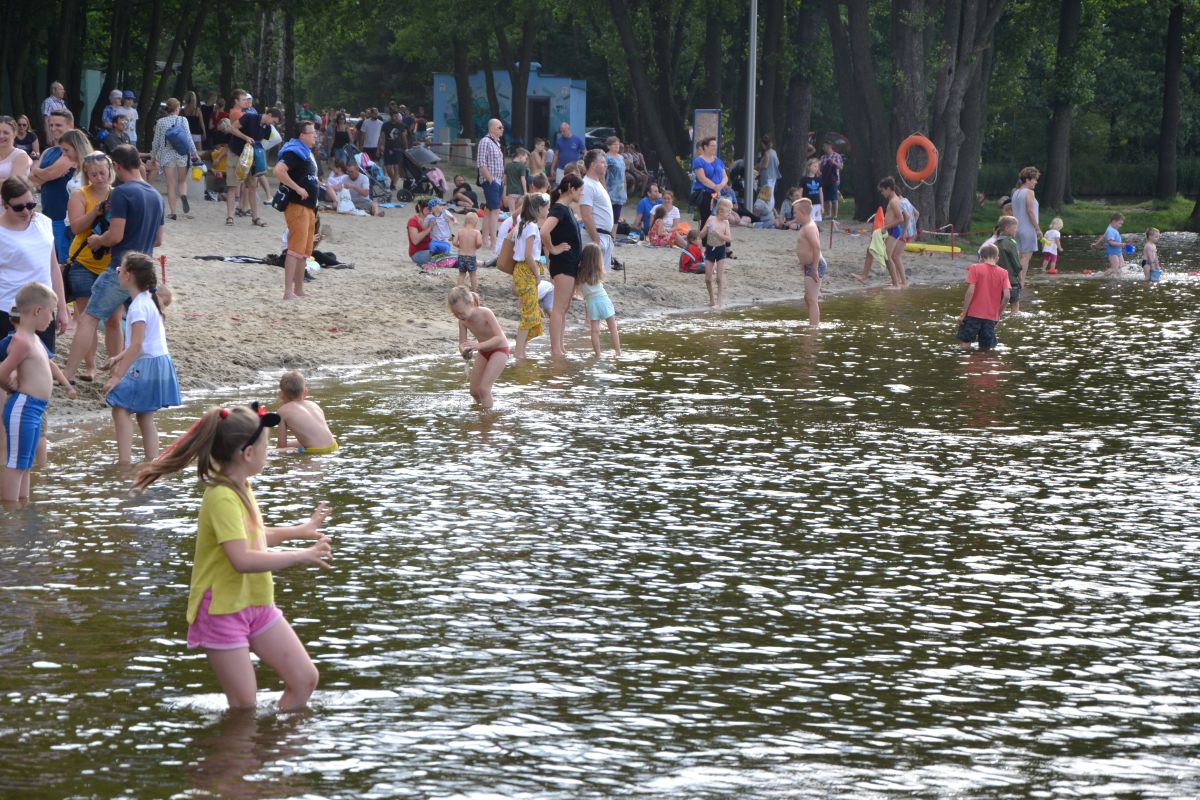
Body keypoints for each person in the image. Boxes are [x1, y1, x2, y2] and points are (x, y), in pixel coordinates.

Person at [132, 404, 333, 712]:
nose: (268, 452)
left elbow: (253, 536)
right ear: (248, 454)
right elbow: (242, 559)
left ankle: (270, 753)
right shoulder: (221, 496)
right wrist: (299, 557)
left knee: (304, 679)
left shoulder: (241, 486)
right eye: (265, 446)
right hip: (222, 610)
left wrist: (300, 530)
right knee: (244, 707)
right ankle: (239, 757)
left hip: (255, 603)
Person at [62, 144, 164, 384]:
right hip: (145, 269)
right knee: (135, 323)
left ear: (116, 167)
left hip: (122, 267)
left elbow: (116, 236)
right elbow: (158, 240)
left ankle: (67, 373)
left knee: (88, 318)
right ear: (138, 163)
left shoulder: (121, 192)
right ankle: (122, 372)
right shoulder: (155, 194)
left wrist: (99, 240)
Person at [102, 253, 179, 463]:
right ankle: (153, 461)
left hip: (146, 364)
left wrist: (117, 376)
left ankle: (124, 463)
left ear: (128, 276)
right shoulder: (148, 300)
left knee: (120, 409)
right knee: (145, 415)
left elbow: (136, 345)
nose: (118, 273)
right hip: (159, 362)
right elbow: (142, 342)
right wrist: (119, 356)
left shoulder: (137, 307)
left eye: (120, 270)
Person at [0, 282, 66, 502]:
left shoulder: (34, 338)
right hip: (23, 406)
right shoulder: (21, 341)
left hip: (35, 408)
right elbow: (2, 371)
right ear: (38, 310)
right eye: (51, 312)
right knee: (16, 463)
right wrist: (10, 387)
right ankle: (11, 511)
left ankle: (23, 503)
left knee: (25, 463)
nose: (52, 318)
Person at [65, 153, 115, 379]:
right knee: (87, 318)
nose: (99, 178)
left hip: (111, 263)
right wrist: (95, 211)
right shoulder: (80, 195)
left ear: (110, 170)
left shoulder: (118, 194)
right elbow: (75, 228)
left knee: (113, 319)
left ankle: (116, 367)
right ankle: (90, 367)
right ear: (87, 175)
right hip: (83, 262)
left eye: (102, 172)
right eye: (93, 174)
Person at [28, 113, 87, 264]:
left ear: (70, 126)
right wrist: (42, 174)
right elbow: (32, 179)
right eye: (51, 125)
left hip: (65, 219)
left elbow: (50, 174)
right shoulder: (49, 152)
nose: (53, 129)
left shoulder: (70, 152)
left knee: (65, 261)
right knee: (52, 260)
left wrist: (38, 172)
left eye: (58, 125)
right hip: (48, 216)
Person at [273, 121, 321, 301]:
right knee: (294, 249)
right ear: (302, 135)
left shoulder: (305, 153)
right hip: (297, 205)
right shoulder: (294, 151)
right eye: (312, 133)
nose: (315, 135)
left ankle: (299, 289)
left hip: (309, 206)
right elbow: (279, 171)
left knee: (304, 251)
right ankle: (288, 291)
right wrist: (298, 188)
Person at [541, 175, 584, 358]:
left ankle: (560, 346)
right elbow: (544, 231)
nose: (581, 193)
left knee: (563, 307)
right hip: (564, 263)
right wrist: (553, 249)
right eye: (580, 189)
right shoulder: (559, 208)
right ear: (571, 188)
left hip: (570, 263)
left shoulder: (566, 209)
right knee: (559, 307)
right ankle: (555, 349)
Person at [449, 286, 508, 409]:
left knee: (484, 389)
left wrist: (478, 345)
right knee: (474, 391)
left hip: (499, 350)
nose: (459, 316)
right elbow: (462, 343)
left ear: (471, 304)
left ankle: (487, 420)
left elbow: (500, 338)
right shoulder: (462, 321)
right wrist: (464, 351)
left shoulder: (485, 313)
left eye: (461, 313)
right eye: (456, 314)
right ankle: (485, 409)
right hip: (483, 351)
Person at [508, 192, 549, 361]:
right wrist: (537, 274)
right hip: (527, 272)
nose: (548, 211)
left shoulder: (521, 224)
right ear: (539, 208)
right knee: (530, 314)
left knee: (531, 312)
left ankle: (521, 350)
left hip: (521, 271)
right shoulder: (531, 227)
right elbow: (528, 255)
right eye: (546, 208)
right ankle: (518, 352)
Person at [955, 243, 1011, 352]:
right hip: (990, 318)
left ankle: (967, 367)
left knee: (965, 345)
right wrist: (998, 315)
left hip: (972, 315)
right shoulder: (1004, 273)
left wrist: (963, 313)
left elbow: (970, 292)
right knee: (986, 349)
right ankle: (984, 367)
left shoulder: (975, 268)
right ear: (997, 258)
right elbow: (1007, 296)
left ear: (981, 257)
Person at [150, 98, 200, 221]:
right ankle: (183, 194)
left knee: (170, 184)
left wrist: (153, 156)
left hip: (167, 156)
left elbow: (156, 142)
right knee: (182, 181)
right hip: (181, 154)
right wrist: (195, 153)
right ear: (177, 109)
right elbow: (188, 138)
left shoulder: (160, 122)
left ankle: (173, 212)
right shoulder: (183, 120)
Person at [224, 90, 268, 227]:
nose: (247, 102)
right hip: (237, 152)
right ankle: (231, 216)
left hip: (248, 154)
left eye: (247, 100)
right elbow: (232, 128)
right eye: (244, 99)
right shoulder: (241, 114)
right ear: (236, 101)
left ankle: (251, 215)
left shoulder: (250, 115)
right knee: (234, 185)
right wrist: (246, 138)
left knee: (251, 186)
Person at [275, 370, 338, 454]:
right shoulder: (314, 404)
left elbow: (281, 446)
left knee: (276, 450)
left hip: (316, 451)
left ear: (281, 395)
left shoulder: (282, 411)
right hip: (334, 445)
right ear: (305, 392)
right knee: (291, 444)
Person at [578, 243, 621, 357]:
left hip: (592, 303)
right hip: (604, 300)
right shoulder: (598, 271)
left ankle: (598, 354)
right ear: (597, 259)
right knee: (613, 329)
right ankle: (618, 352)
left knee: (594, 331)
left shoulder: (579, 273)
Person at [580, 150, 616, 272]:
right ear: (593, 164)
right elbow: (586, 215)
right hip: (596, 236)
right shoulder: (587, 184)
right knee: (591, 278)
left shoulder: (597, 183)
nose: (606, 165)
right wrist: (596, 239)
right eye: (602, 162)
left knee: (600, 278)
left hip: (604, 236)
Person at [792, 198, 825, 328]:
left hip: (814, 265)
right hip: (809, 265)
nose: (794, 215)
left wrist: (815, 268)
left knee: (812, 299)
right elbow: (806, 247)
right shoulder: (806, 226)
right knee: (808, 298)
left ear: (803, 213)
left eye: (795, 212)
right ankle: (813, 323)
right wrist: (803, 263)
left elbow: (816, 247)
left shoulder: (809, 228)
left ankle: (814, 328)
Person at [476, 118, 505, 250]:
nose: (502, 129)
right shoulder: (485, 141)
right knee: (494, 211)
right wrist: (490, 180)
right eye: (500, 127)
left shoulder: (496, 143)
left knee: (489, 211)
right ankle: (493, 242)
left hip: (498, 181)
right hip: (491, 181)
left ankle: (485, 240)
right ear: (492, 128)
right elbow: (481, 163)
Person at [690, 136, 728, 232]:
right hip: (706, 193)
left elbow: (725, 177)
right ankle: (704, 242)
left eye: (715, 145)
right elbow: (702, 179)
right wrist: (715, 187)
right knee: (706, 219)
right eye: (712, 146)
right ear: (705, 147)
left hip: (718, 194)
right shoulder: (699, 161)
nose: (714, 147)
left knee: (721, 218)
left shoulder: (719, 161)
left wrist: (720, 186)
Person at [701, 197, 733, 308]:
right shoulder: (711, 219)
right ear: (720, 211)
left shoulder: (726, 223)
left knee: (719, 278)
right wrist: (706, 231)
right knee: (708, 279)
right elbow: (701, 235)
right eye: (728, 211)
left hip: (720, 250)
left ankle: (719, 302)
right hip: (710, 249)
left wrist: (718, 234)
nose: (730, 213)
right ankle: (712, 300)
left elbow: (728, 238)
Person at [1011, 166, 1041, 284]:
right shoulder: (1029, 192)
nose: (1036, 182)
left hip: (1016, 229)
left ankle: (1014, 280)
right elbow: (1030, 211)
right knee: (1026, 257)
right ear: (1028, 180)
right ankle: (1021, 281)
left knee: (1018, 256)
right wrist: (1037, 229)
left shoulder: (1016, 193)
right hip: (1028, 229)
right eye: (1034, 179)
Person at [878, 177, 907, 289]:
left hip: (893, 231)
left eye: (882, 190)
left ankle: (896, 284)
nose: (882, 193)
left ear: (888, 189)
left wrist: (885, 227)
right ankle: (895, 282)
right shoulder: (894, 199)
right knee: (887, 256)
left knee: (887, 256)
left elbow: (901, 219)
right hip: (891, 230)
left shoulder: (894, 201)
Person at [995, 215, 1022, 313]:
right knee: (1014, 305)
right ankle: (1014, 320)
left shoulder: (995, 243)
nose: (1016, 230)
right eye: (1015, 228)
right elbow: (1016, 264)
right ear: (1007, 228)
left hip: (998, 280)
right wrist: (1021, 279)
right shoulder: (1011, 243)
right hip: (1012, 280)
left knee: (998, 304)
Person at [454, 214, 483, 292]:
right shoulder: (477, 232)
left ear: (465, 222)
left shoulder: (460, 231)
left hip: (461, 256)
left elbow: (454, 242)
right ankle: (474, 291)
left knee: (461, 274)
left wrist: (460, 246)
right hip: (471, 257)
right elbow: (479, 243)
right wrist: (476, 247)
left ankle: (459, 291)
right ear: (475, 223)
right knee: (473, 275)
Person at [380, 110, 406, 191]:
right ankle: (393, 181)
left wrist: (406, 147)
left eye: (396, 116)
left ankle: (393, 185)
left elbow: (403, 137)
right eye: (393, 116)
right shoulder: (385, 125)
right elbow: (383, 136)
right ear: (390, 116)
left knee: (396, 167)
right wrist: (382, 146)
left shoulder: (401, 125)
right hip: (388, 148)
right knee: (388, 168)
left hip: (398, 148)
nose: (394, 118)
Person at [604, 137, 627, 222]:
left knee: (617, 215)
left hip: (620, 190)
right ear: (608, 146)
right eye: (614, 144)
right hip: (610, 188)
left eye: (618, 144)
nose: (617, 146)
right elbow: (603, 174)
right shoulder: (606, 158)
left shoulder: (621, 157)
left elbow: (623, 173)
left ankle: (613, 235)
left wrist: (624, 188)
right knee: (608, 213)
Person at [819, 141, 843, 219]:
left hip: (834, 180)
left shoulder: (837, 156)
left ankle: (835, 215)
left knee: (834, 198)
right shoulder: (823, 157)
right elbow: (820, 168)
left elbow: (841, 167)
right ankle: (827, 213)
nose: (823, 148)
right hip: (825, 179)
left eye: (824, 146)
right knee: (826, 198)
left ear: (829, 146)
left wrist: (834, 163)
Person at [757, 135, 781, 211]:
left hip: (767, 176)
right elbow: (778, 163)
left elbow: (766, 165)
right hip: (773, 176)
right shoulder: (774, 152)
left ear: (764, 144)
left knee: (767, 193)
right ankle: (770, 208)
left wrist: (759, 166)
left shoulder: (767, 153)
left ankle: (767, 208)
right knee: (772, 193)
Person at [407, 198, 432, 266]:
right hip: (417, 253)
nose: (430, 211)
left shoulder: (432, 219)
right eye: (428, 209)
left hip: (430, 250)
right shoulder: (413, 220)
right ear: (419, 207)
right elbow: (415, 240)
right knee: (441, 256)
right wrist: (429, 228)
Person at [1100, 212, 1126, 278]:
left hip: (1118, 252)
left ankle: (1117, 277)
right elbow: (1110, 242)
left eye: (1121, 224)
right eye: (1119, 223)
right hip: (1112, 252)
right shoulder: (1110, 230)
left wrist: (1096, 244)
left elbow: (1103, 236)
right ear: (1114, 221)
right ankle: (1102, 276)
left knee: (1121, 266)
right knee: (1115, 267)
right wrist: (1121, 244)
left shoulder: (1112, 228)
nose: (1120, 225)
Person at [504, 147, 530, 212]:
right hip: (520, 191)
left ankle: (512, 221)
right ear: (520, 156)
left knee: (511, 211)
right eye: (525, 158)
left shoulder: (508, 165)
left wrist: (506, 187)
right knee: (519, 211)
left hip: (510, 191)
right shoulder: (522, 166)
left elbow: (505, 178)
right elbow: (523, 179)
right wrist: (525, 191)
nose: (526, 160)